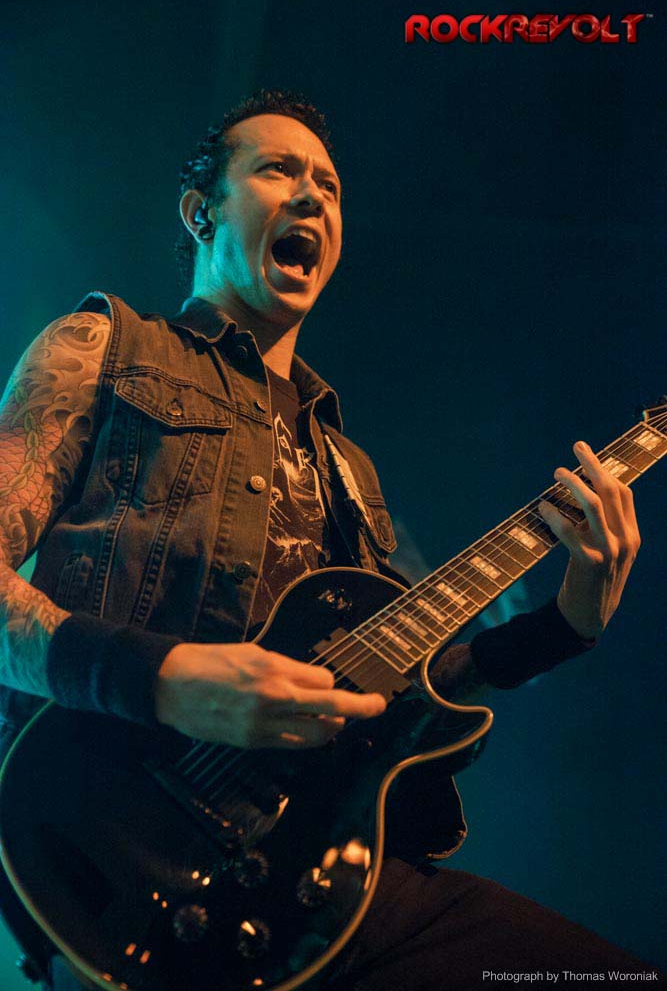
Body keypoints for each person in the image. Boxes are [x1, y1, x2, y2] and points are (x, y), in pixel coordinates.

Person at [0, 90, 654, 990]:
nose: (313, 196)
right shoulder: (105, 347)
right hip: (112, 847)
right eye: (278, 170)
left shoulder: (349, 468)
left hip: (322, 881)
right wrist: (161, 678)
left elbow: (409, 688)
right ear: (200, 212)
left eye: (331, 186)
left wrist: (565, 625)